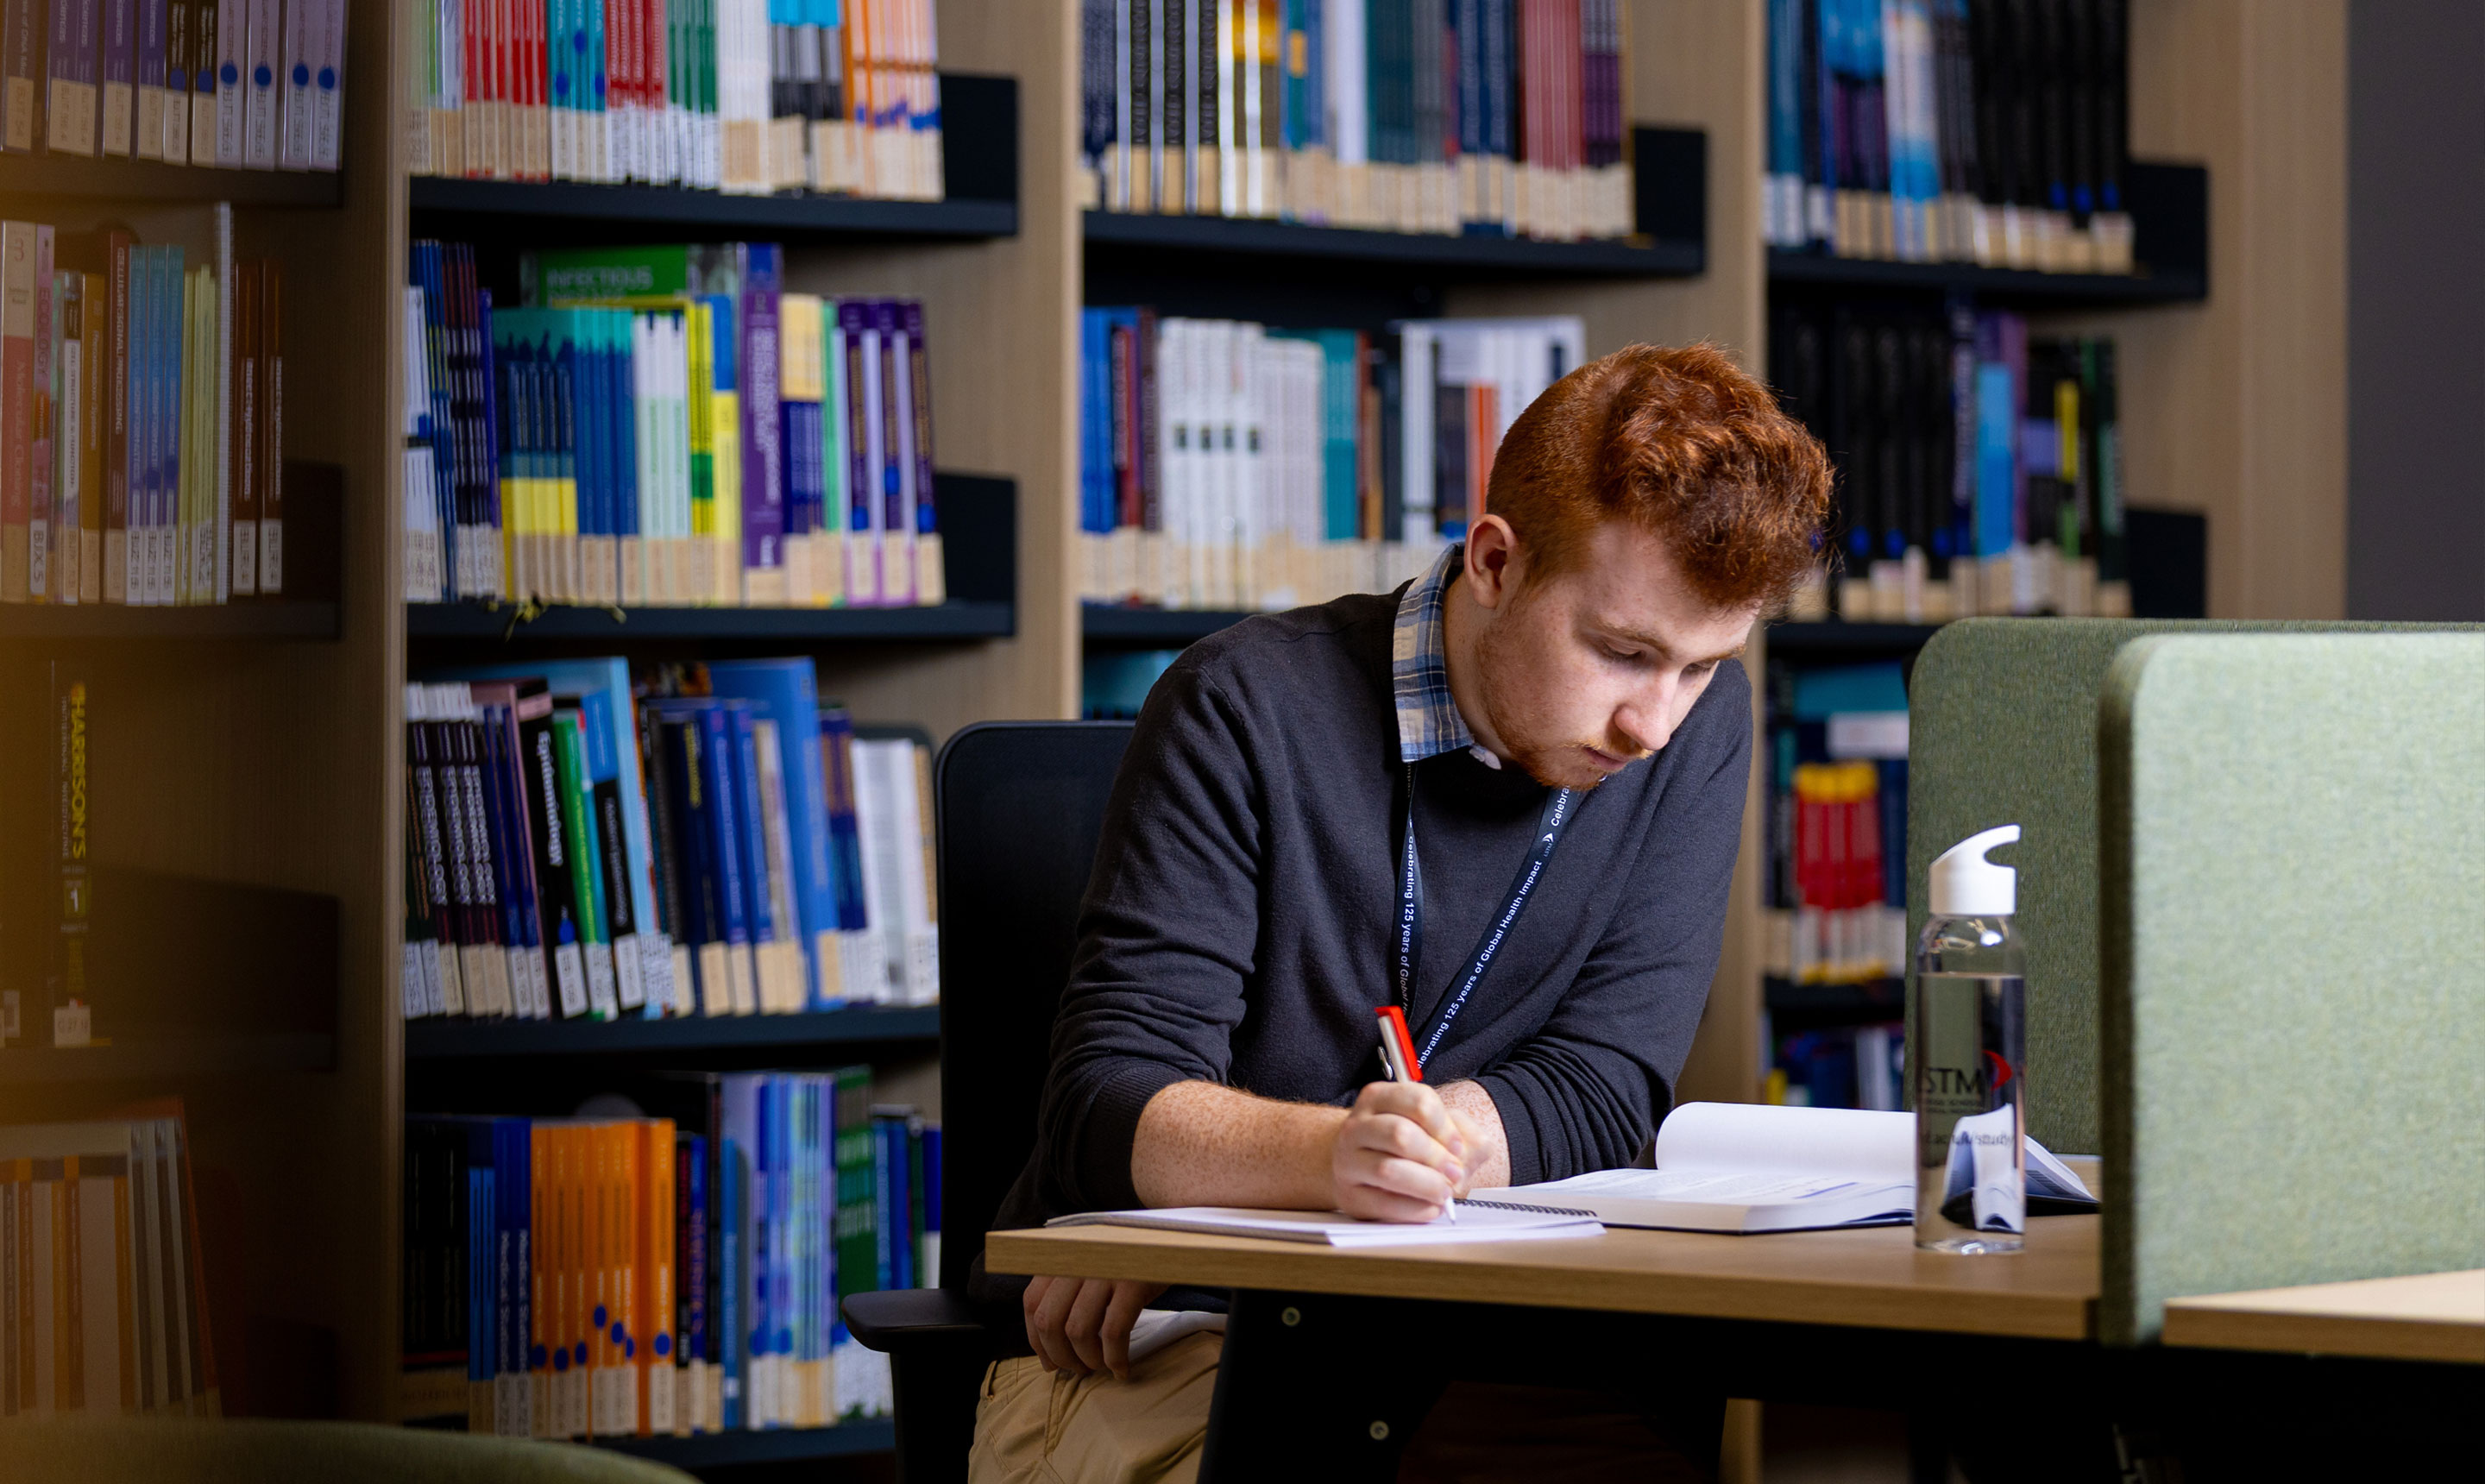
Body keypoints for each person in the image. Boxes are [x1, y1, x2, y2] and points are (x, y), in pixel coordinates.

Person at [969, 342, 1832, 1483]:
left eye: (1701, 666)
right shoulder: (1241, 708)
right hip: (1176, 1341)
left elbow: (1610, 1085)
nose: (1653, 726)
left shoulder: (1699, 729)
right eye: (1623, 654)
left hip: (1481, 1344)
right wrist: (1318, 1165)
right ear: (1492, 562)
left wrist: (1306, 1178)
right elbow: (1103, 1110)